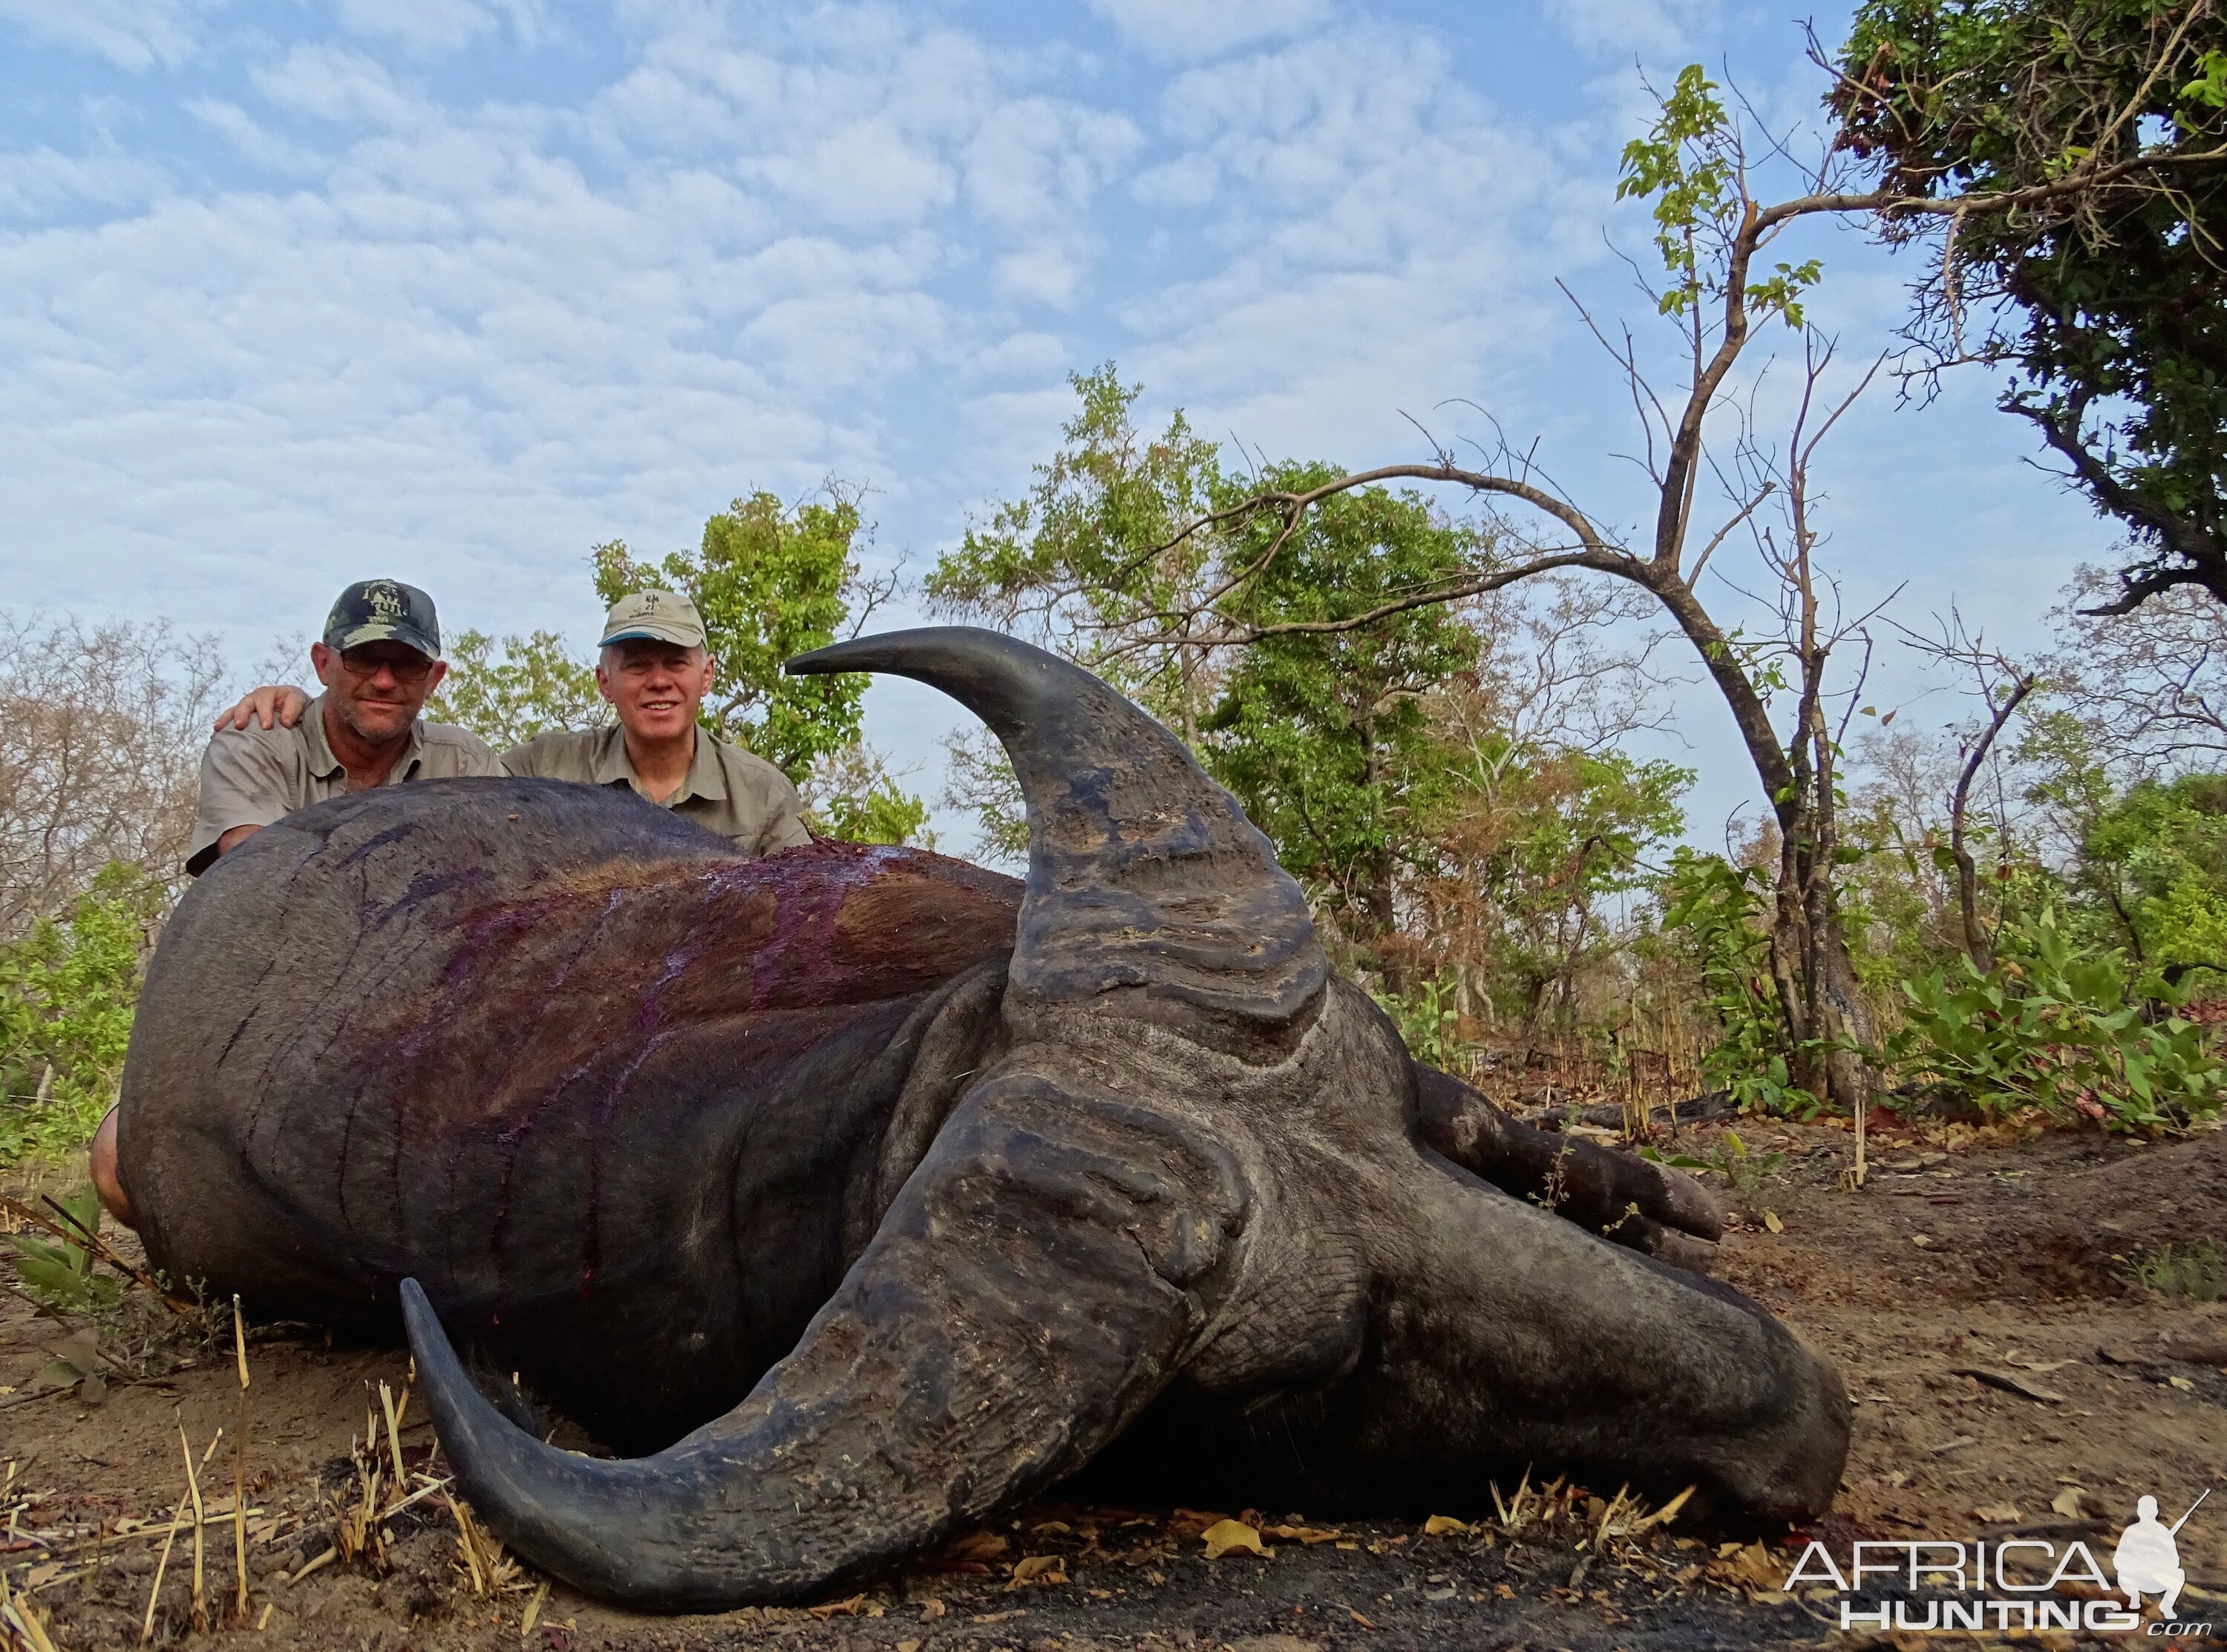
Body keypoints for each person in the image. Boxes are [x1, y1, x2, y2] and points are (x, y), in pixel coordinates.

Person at [94, 579, 499, 1226]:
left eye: (409, 665)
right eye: (365, 659)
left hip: (415, 1028)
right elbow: (266, 885)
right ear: (323, 662)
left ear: (437, 676)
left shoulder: (469, 763)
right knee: (120, 1168)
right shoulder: (255, 742)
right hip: (260, 1016)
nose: (386, 682)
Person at [216, 589, 813, 857]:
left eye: (675, 663)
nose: (658, 681)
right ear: (604, 681)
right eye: (636, 666)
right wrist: (303, 700)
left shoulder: (761, 792)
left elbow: (809, 916)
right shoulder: (537, 768)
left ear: (706, 677)